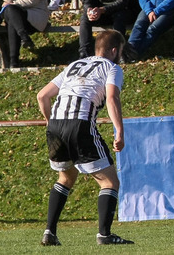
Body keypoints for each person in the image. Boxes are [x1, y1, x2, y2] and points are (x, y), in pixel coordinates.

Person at [37, 29, 133, 246]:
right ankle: (104, 235)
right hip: (79, 123)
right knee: (110, 182)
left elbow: (42, 96)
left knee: (66, 178)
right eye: (121, 51)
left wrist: (50, 121)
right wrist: (119, 131)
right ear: (115, 50)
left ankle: (49, 232)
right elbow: (112, 97)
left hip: (56, 125)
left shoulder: (74, 65)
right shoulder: (112, 67)